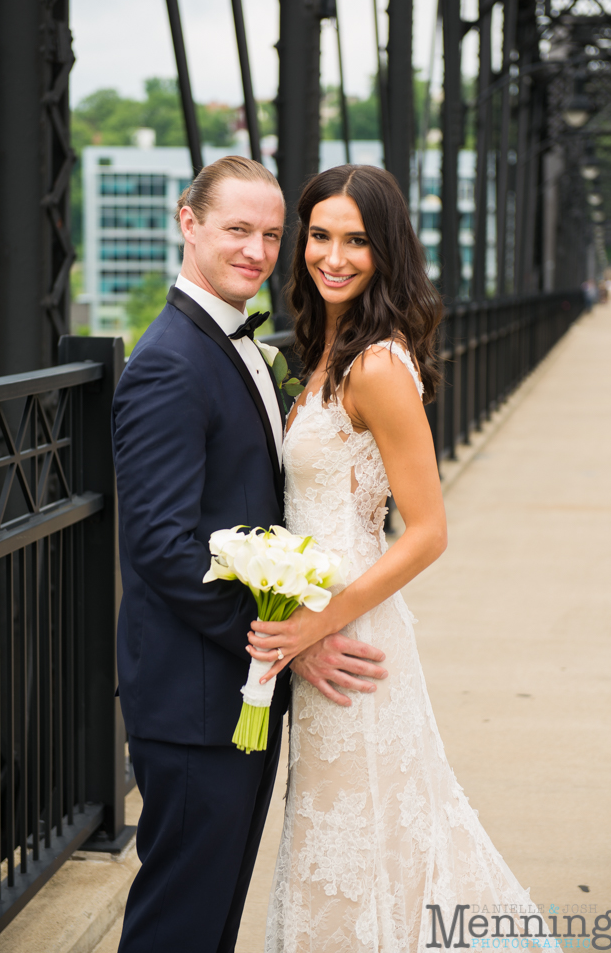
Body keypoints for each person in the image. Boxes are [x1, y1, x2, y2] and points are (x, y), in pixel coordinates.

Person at [247, 165, 561, 951]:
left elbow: (427, 531)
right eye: (319, 235)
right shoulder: (325, 348)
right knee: (346, 825)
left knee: (371, 821)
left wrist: (315, 622)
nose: (334, 256)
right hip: (317, 625)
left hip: (350, 628)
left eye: (356, 240)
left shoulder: (377, 364)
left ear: (386, 251)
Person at [111, 156, 387, 953]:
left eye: (271, 235)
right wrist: (279, 637)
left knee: (211, 910)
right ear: (187, 222)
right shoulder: (168, 362)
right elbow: (163, 548)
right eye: (237, 229)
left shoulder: (225, 343)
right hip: (196, 695)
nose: (256, 251)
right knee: (179, 916)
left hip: (232, 688)